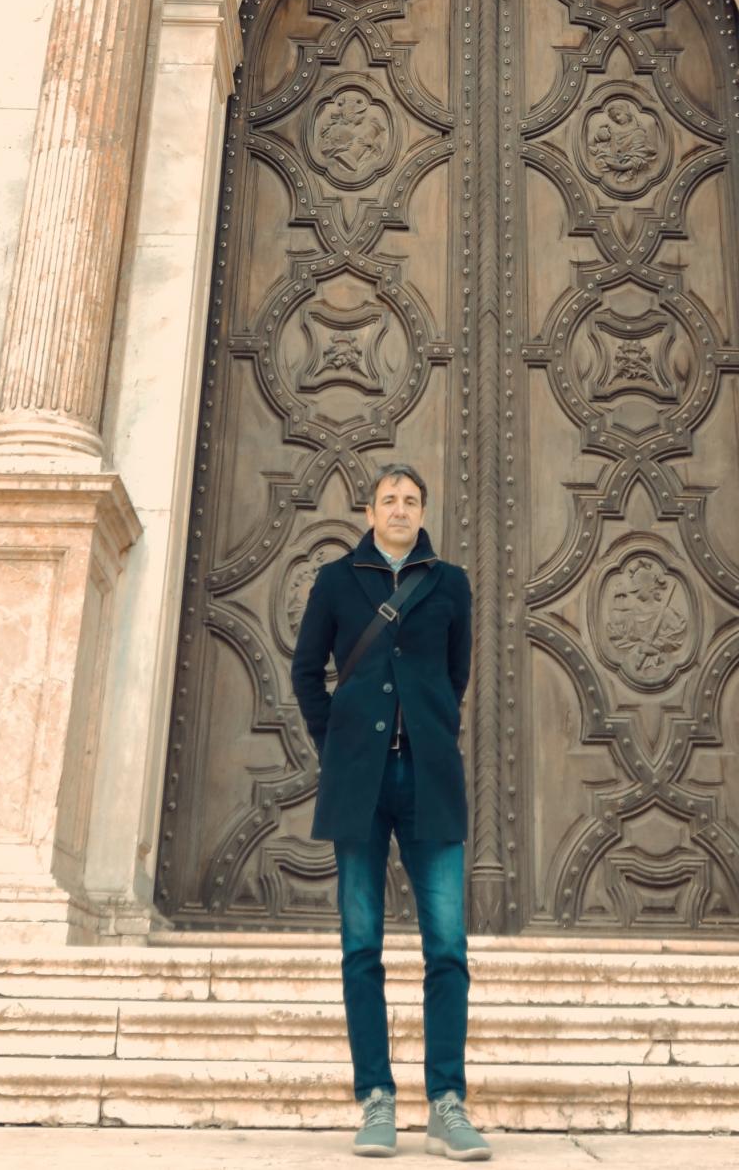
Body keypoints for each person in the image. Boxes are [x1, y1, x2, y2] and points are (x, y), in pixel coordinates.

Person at [291, 465, 491, 1162]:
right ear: (370, 510)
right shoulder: (337, 580)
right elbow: (306, 671)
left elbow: (455, 673)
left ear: (422, 510)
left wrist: (430, 727)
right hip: (360, 784)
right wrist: (337, 740)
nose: (400, 509)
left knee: (447, 948)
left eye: (411, 500)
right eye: (389, 500)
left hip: (429, 779)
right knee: (361, 945)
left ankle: (447, 1104)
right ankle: (376, 1097)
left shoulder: (451, 583)